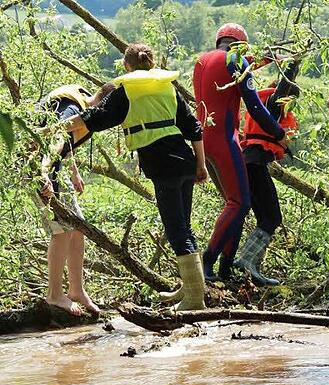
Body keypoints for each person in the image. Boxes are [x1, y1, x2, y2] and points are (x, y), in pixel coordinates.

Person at [50, 43, 209, 311]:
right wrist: (201, 166)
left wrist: (53, 128)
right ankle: (191, 287)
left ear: (126, 66)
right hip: (185, 161)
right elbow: (193, 127)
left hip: (163, 165)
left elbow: (92, 118)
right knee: (185, 226)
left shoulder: (128, 91)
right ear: (152, 62)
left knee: (177, 230)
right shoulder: (166, 87)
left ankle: (195, 298)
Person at [192, 23, 289, 284]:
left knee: (235, 205)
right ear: (241, 45)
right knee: (240, 203)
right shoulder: (235, 61)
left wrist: (272, 56)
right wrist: (279, 133)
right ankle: (208, 262)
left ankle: (224, 271)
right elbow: (255, 106)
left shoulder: (203, 61)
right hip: (225, 138)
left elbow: (241, 65)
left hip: (203, 139)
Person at [34, 83, 115, 315]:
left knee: (78, 228)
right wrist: (43, 173)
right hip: (38, 167)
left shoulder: (82, 107)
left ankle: (76, 290)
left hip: (54, 168)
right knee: (62, 230)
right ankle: (54, 295)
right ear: (103, 105)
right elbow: (57, 138)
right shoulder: (72, 109)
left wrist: (74, 172)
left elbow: (66, 147)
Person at [235, 57, 302, 286]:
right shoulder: (272, 104)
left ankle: (248, 264)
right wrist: (295, 63)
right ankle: (245, 261)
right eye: (292, 101)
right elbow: (284, 85)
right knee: (272, 217)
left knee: (266, 217)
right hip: (253, 164)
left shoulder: (266, 106)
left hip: (249, 164)